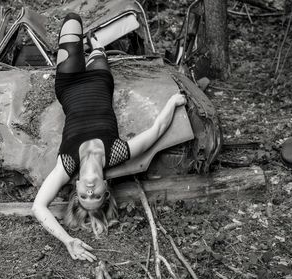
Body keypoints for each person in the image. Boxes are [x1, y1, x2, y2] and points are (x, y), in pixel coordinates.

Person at [32, 13, 186, 262]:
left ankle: (82, 47)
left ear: (77, 187)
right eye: (95, 196)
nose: (90, 191)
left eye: (84, 196)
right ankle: (95, 47)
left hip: (69, 83)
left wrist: (68, 240)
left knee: (72, 20)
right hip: (101, 81)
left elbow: (38, 207)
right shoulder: (117, 152)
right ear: (106, 189)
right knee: (97, 47)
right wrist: (173, 102)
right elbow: (156, 131)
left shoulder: (67, 164)